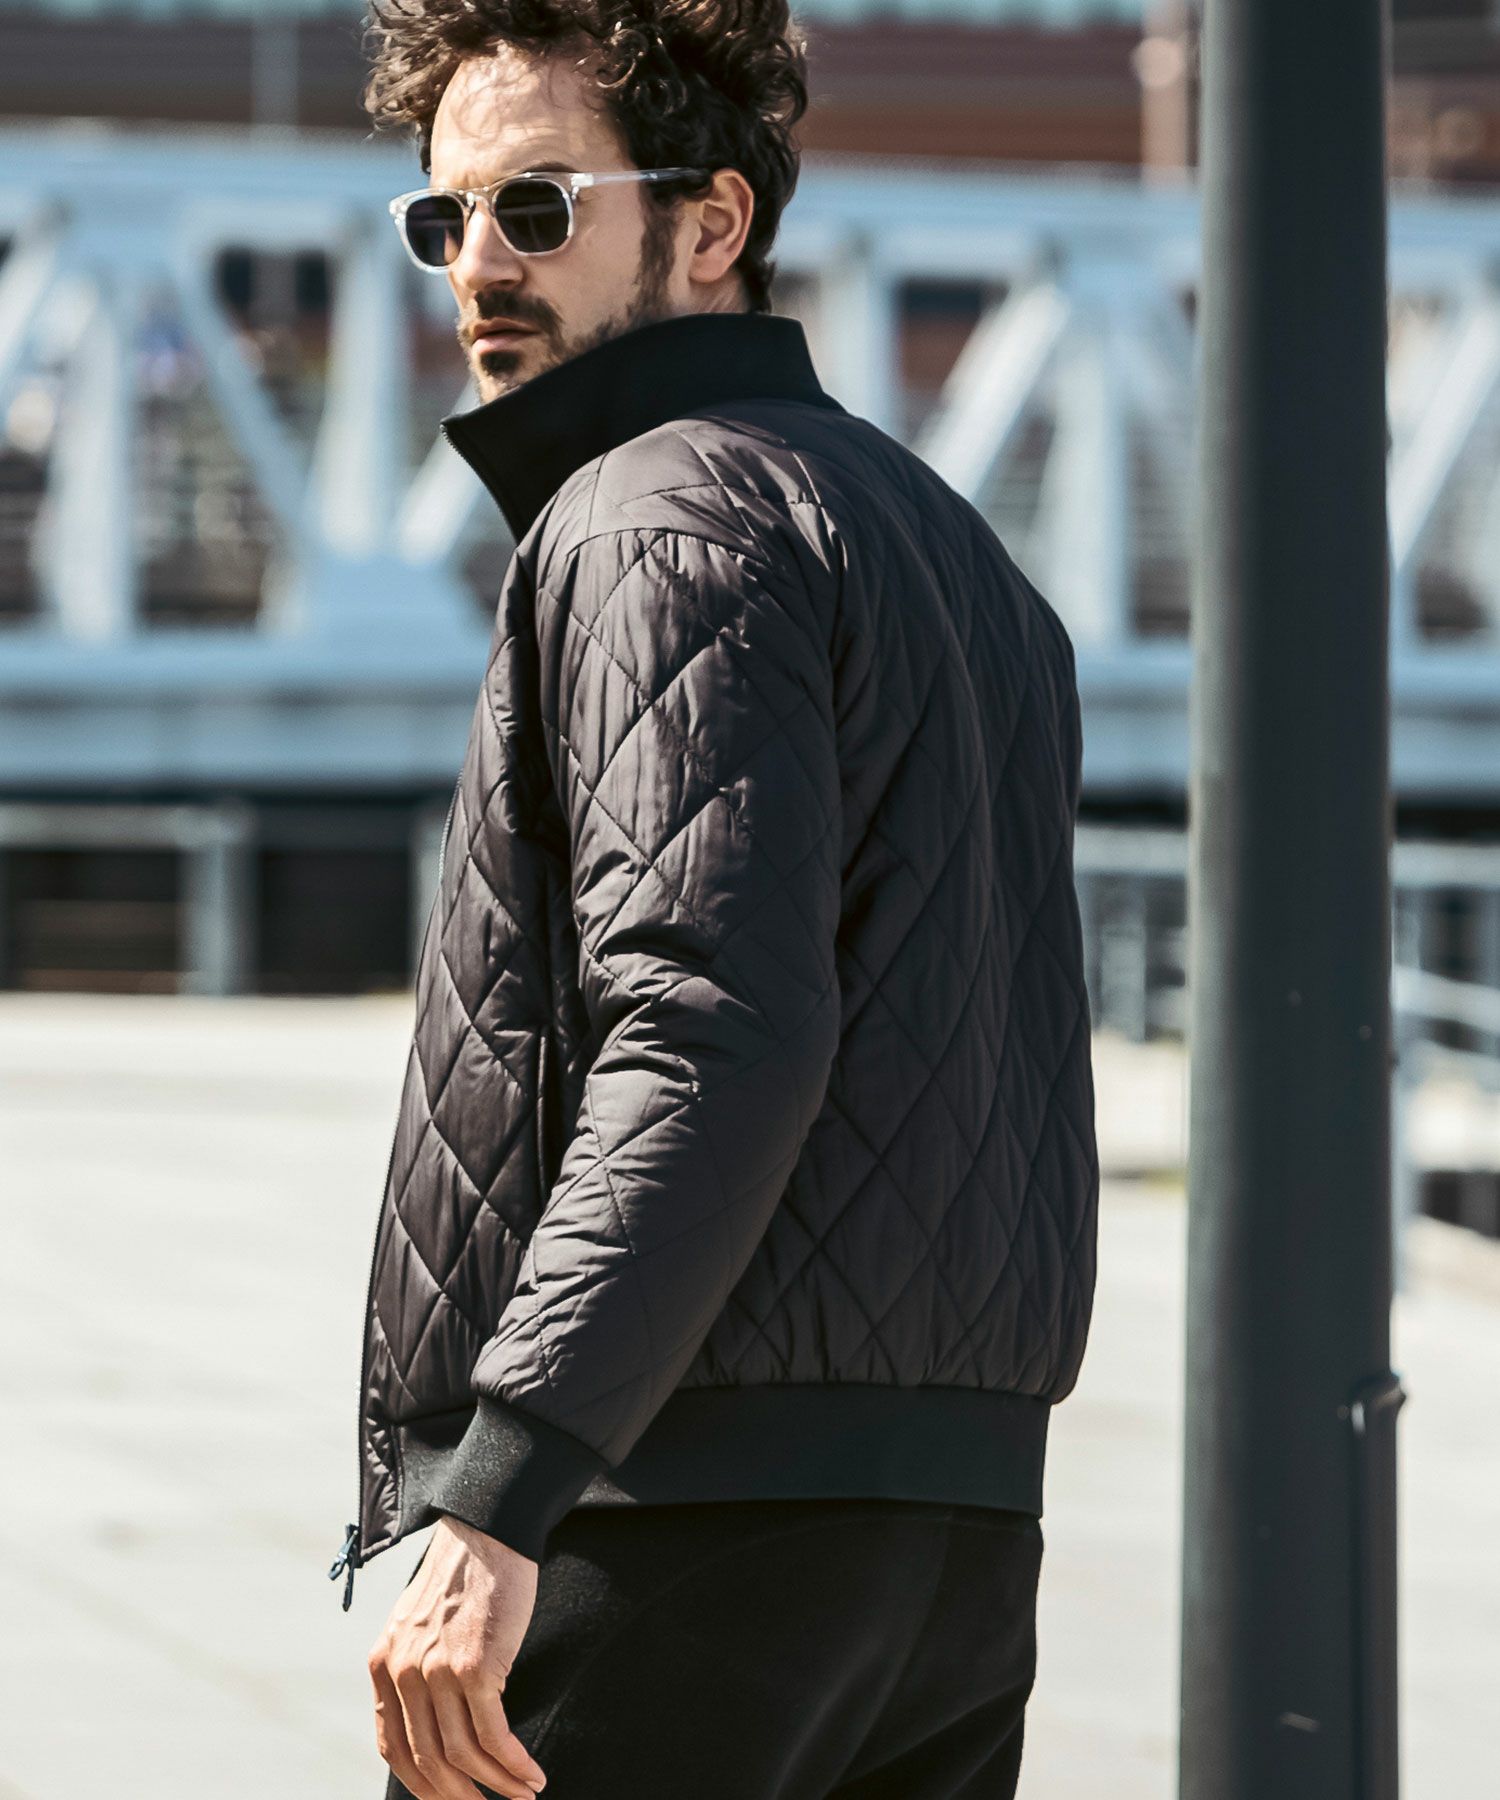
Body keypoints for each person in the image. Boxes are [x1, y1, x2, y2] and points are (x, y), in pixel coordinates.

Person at [332, 1, 1100, 1794]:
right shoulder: (955, 550)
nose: (480, 265)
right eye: (445, 218)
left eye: (539, 208)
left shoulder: (647, 518)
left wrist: (502, 1490)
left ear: (712, 221)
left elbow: (705, 1026)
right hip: (950, 1551)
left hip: (671, 1519)